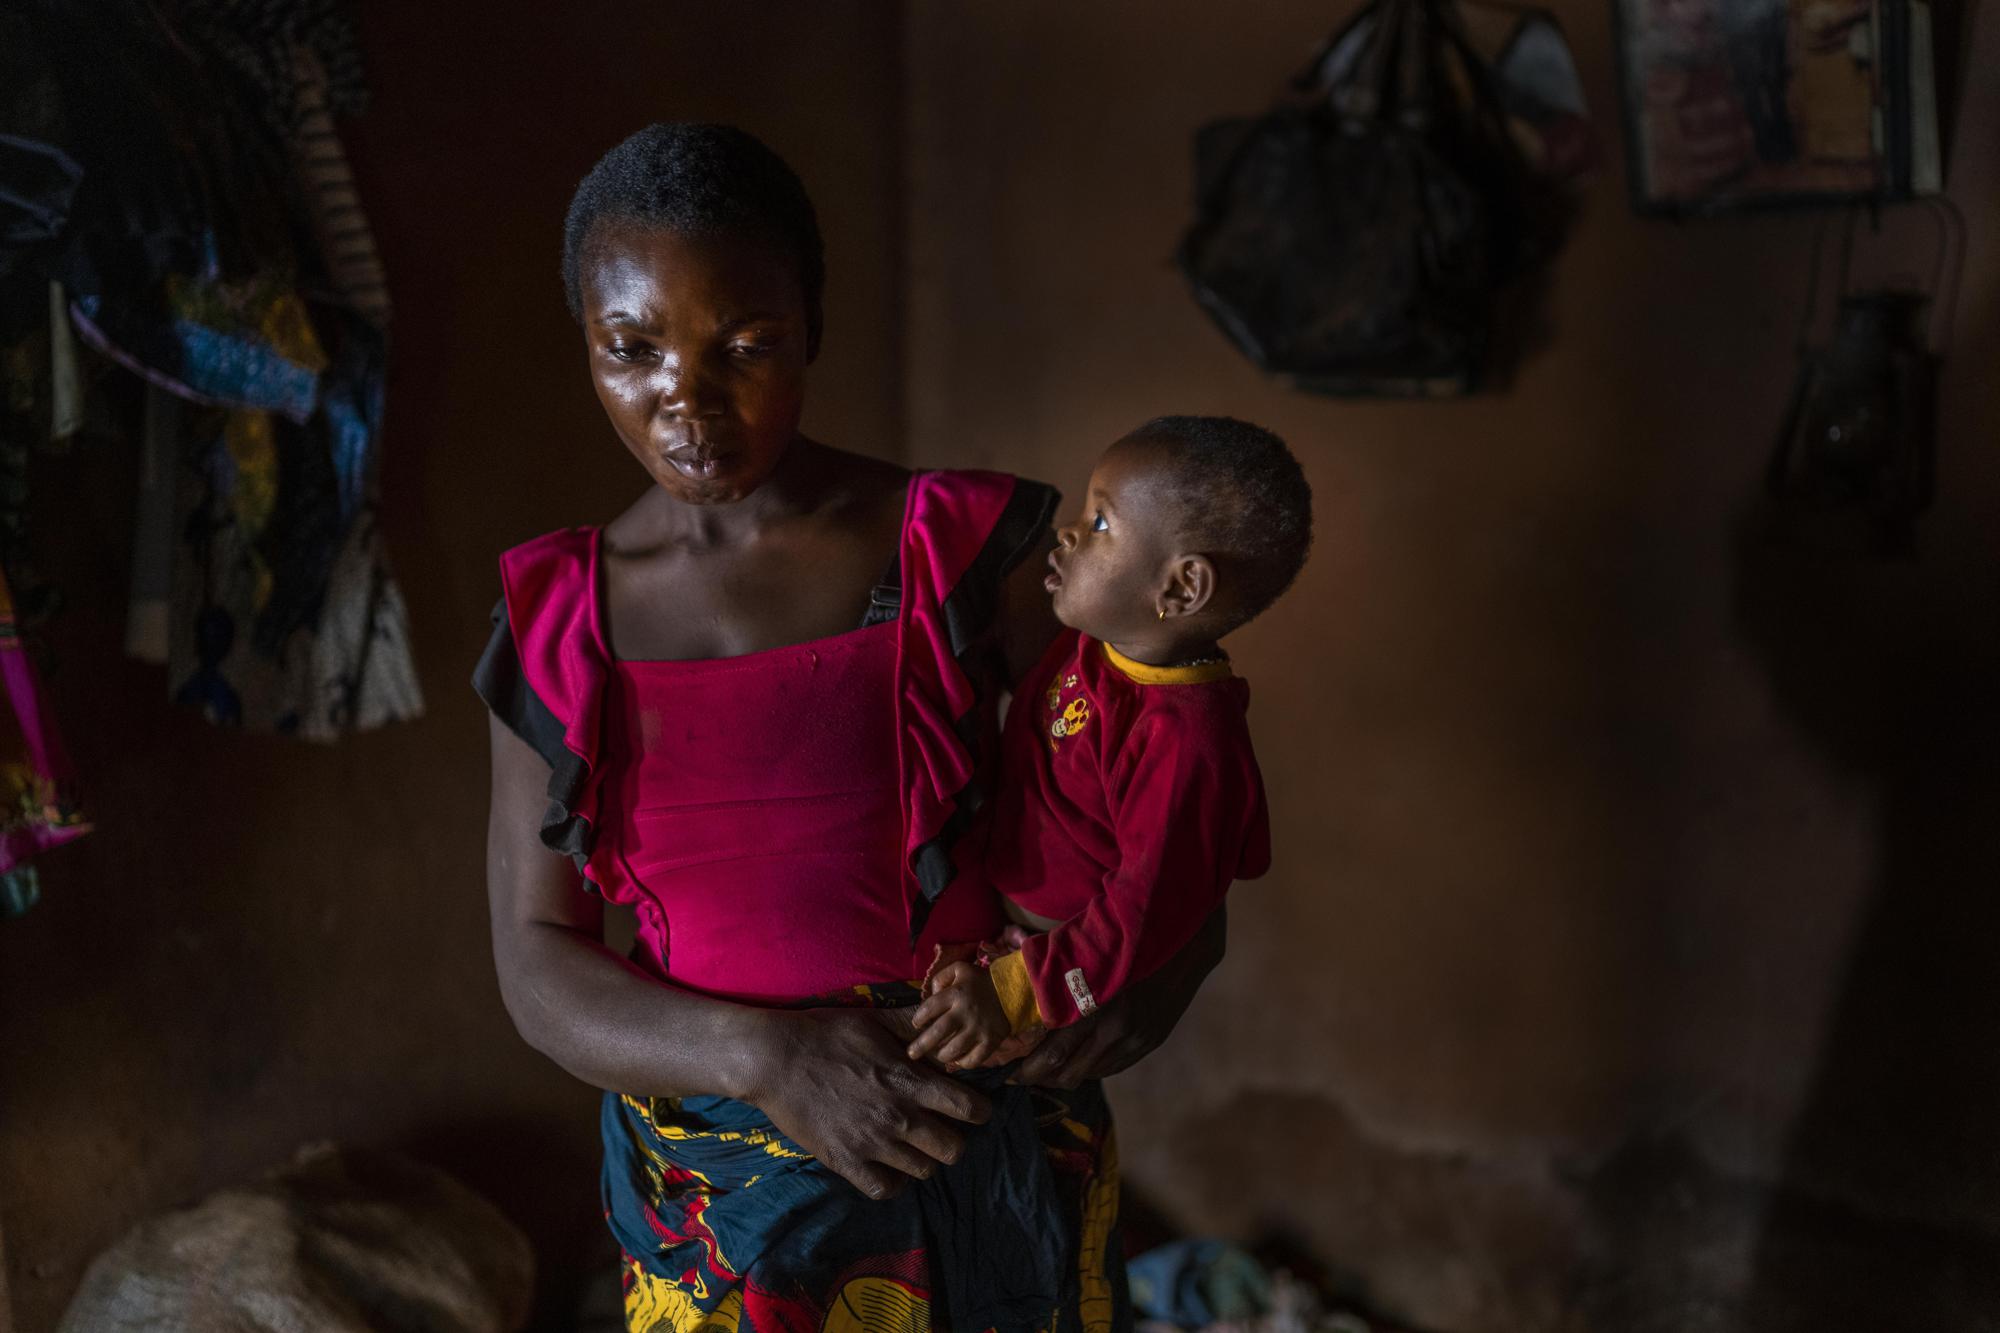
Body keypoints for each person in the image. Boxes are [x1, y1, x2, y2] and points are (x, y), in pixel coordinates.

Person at [474, 123, 1224, 1333]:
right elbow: (535, 961)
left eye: (747, 345)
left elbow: (1153, 778)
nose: (686, 397)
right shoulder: (556, 625)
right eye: (631, 349)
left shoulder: (966, 549)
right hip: (725, 1203)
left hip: (985, 1147)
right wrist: (765, 1059)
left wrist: (1175, 961)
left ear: (810, 328)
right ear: (586, 347)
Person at [907, 419, 1310, 1070]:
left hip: (1041, 978)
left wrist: (1013, 991)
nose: (1069, 532)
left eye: (1100, 524)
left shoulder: (1187, 742)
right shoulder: (1097, 647)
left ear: (1181, 588)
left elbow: (1142, 911)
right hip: (996, 931)